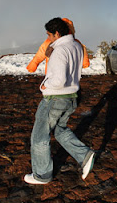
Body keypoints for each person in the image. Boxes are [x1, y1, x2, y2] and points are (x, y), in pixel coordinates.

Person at [24, 18, 95, 185]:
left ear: (57, 33)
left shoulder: (60, 50)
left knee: (39, 136)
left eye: (49, 35)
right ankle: (84, 155)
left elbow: (59, 80)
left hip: (55, 99)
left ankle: (42, 175)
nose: (48, 38)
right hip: (71, 97)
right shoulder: (76, 46)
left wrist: (45, 86)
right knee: (59, 130)